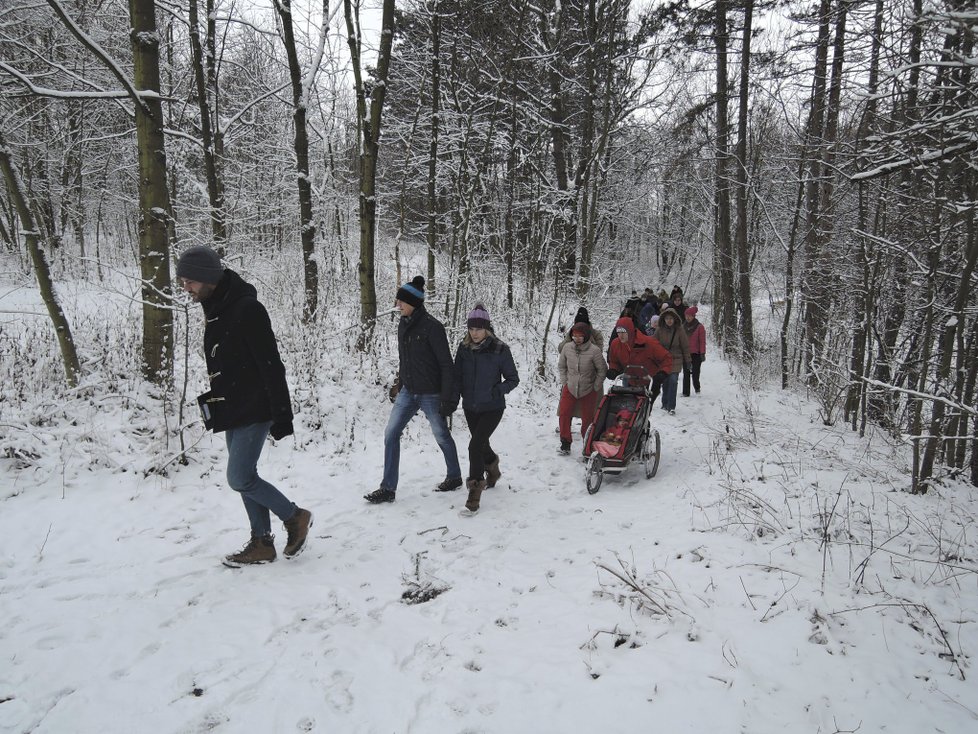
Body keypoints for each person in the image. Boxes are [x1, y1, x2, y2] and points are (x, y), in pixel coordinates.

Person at [176, 245, 312, 566]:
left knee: (239, 477)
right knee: (246, 475)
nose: (186, 289)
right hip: (232, 407)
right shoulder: (216, 308)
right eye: (183, 282)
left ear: (208, 277)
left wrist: (282, 414)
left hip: (256, 406)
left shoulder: (246, 309)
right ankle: (262, 543)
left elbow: (270, 364)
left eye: (189, 282)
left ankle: (295, 517)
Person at [365, 276, 462, 504]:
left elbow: (447, 365)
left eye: (401, 301)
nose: (397, 305)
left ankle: (455, 476)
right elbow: (404, 358)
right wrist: (400, 384)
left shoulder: (433, 328)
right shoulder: (402, 324)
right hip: (408, 391)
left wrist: (447, 397)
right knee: (391, 434)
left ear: (413, 303)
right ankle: (388, 488)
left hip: (431, 393)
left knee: (441, 435)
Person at [450, 304, 520, 514]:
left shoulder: (500, 349)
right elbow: (457, 376)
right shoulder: (463, 349)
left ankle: (474, 491)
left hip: (492, 407)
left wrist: (497, 391)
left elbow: (513, 379)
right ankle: (492, 466)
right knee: (481, 445)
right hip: (471, 407)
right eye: (471, 329)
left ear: (487, 329)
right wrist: (453, 398)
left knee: (474, 446)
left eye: (479, 329)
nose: (475, 333)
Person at [557, 321, 607, 454]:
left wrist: (596, 386)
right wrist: (565, 382)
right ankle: (565, 443)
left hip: (588, 389)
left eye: (580, 336)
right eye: (574, 336)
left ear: (586, 336)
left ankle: (588, 444)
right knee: (564, 413)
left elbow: (602, 370)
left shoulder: (594, 350)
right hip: (570, 386)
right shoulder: (567, 348)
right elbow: (562, 366)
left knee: (588, 419)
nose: (577, 339)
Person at [607, 317, 672, 405]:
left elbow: (666, 358)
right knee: (628, 409)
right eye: (618, 332)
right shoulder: (616, 344)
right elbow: (614, 361)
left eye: (623, 332)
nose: (620, 335)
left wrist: (663, 373)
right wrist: (613, 370)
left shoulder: (648, 343)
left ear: (630, 331)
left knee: (643, 410)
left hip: (649, 381)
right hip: (630, 380)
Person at [655, 307, 691, 415]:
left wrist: (688, 360)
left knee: (673, 381)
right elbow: (653, 343)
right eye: (667, 318)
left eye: (671, 318)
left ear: (675, 319)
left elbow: (685, 346)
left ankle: (671, 406)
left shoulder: (680, 330)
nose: (669, 320)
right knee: (665, 381)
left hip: (676, 359)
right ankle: (665, 403)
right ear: (664, 319)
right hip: (663, 359)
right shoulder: (659, 330)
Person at [682, 305, 707, 397]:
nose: (688, 317)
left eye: (690, 315)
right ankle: (685, 392)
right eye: (686, 315)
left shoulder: (699, 327)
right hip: (686, 353)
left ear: (693, 316)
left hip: (696, 353)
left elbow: (702, 341)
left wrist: (702, 353)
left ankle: (697, 387)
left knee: (695, 373)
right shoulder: (682, 327)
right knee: (686, 372)